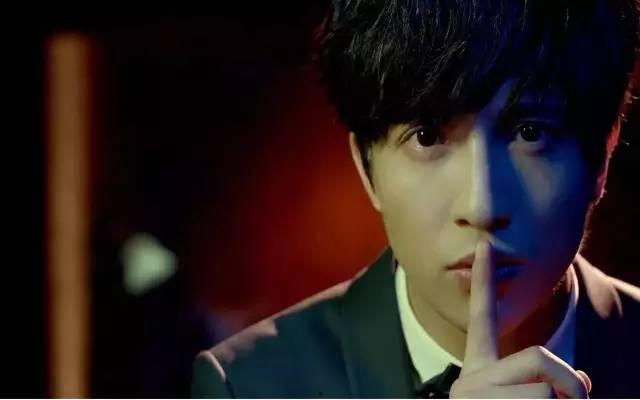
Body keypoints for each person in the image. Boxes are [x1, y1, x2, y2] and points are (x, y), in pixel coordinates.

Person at [192, 0, 640, 397]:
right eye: (427, 137)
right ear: (366, 167)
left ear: (601, 156)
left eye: (530, 132)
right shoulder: (250, 385)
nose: (480, 207)